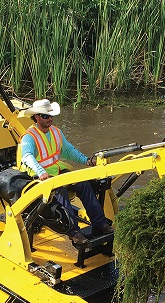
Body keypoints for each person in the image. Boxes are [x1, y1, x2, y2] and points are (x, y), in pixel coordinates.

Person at [18, 98, 113, 245]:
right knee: (60, 191)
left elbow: (68, 151)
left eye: (51, 115)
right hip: (37, 177)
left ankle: (100, 223)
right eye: (45, 116)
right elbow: (27, 157)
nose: (50, 118)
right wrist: (41, 172)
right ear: (36, 117)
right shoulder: (29, 137)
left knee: (83, 184)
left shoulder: (56, 132)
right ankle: (74, 232)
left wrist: (87, 161)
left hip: (56, 171)